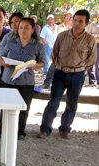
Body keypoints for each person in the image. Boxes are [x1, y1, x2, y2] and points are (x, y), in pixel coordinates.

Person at [37, 9, 97, 140]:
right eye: (75, 20)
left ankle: (65, 129)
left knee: (72, 103)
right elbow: (54, 53)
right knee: (53, 102)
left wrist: (81, 69)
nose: (77, 23)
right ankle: (45, 129)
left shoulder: (89, 39)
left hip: (77, 76)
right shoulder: (62, 36)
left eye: (80, 21)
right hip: (60, 73)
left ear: (86, 23)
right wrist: (59, 66)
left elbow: (92, 59)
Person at [0, 18, 45, 140]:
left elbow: (42, 62)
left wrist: (35, 66)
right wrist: (3, 63)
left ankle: (19, 131)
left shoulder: (37, 45)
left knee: (23, 108)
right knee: (5, 106)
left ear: (33, 29)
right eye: (20, 27)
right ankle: (2, 130)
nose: (22, 30)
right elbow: (1, 57)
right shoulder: (10, 42)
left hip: (26, 82)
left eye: (26, 28)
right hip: (8, 80)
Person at [39, 10, 74, 89]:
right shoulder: (59, 27)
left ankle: (68, 86)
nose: (68, 18)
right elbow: (56, 38)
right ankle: (46, 84)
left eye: (70, 17)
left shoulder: (74, 28)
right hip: (60, 50)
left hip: (70, 52)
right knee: (52, 68)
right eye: (67, 16)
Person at [86, 12, 99, 87]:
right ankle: (92, 82)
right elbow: (88, 34)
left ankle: (98, 81)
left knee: (98, 65)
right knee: (91, 63)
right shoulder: (92, 24)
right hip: (92, 45)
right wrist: (95, 35)